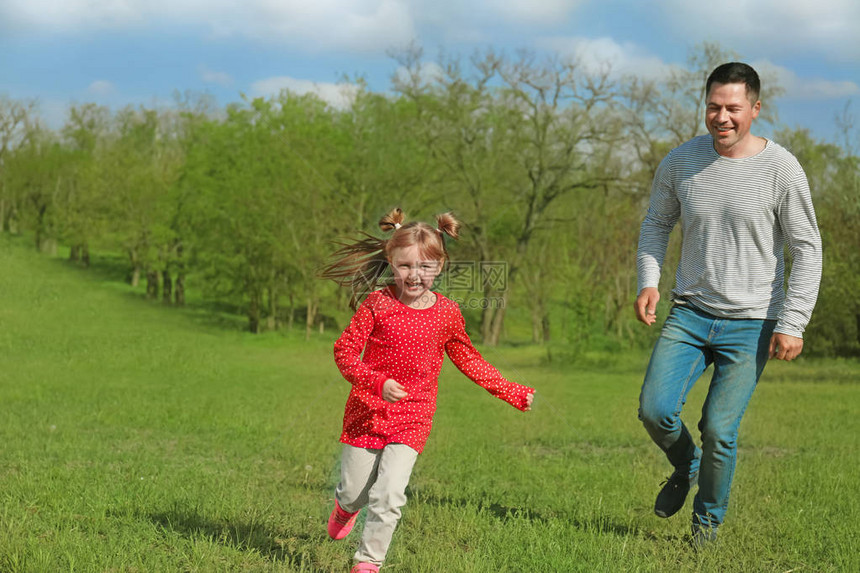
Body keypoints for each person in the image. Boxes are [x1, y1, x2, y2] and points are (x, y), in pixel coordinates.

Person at [634, 62, 822, 548]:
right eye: (714, 107)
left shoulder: (781, 168)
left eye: (733, 108)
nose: (722, 117)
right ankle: (686, 466)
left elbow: (806, 248)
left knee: (720, 430)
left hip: (753, 321)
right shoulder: (680, 162)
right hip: (690, 313)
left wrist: (794, 320)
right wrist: (649, 280)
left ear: (755, 110)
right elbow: (656, 224)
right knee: (655, 411)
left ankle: (706, 528)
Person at [321, 208, 535, 572]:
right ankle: (345, 507)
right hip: (366, 412)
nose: (414, 275)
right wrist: (376, 381)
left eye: (424, 267)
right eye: (405, 266)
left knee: (389, 494)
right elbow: (344, 353)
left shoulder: (447, 314)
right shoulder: (377, 304)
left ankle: (368, 562)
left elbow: (469, 359)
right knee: (355, 491)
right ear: (391, 261)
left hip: (413, 418)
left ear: (440, 266)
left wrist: (509, 390)